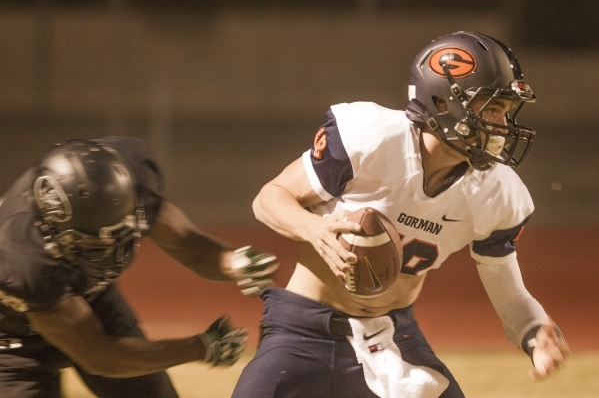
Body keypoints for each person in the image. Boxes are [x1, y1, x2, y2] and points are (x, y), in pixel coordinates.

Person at [231, 31, 570, 398]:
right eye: (491, 108)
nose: (501, 126)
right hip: (302, 330)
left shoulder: (496, 192)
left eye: (506, 111)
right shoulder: (371, 140)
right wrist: (315, 229)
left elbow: (509, 293)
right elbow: (269, 197)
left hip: (391, 337)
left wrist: (535, 335)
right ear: (442, 103)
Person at [0, 136, 279, 398]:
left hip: (87, 295)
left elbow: (186, 243)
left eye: (124, 232)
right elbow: (101, 356)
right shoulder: (21, 260)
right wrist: (200, 347)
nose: (114, 248)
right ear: (55, 234)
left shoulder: (124, 179)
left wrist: (235, 262)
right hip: (14, 342)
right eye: (97, 244)